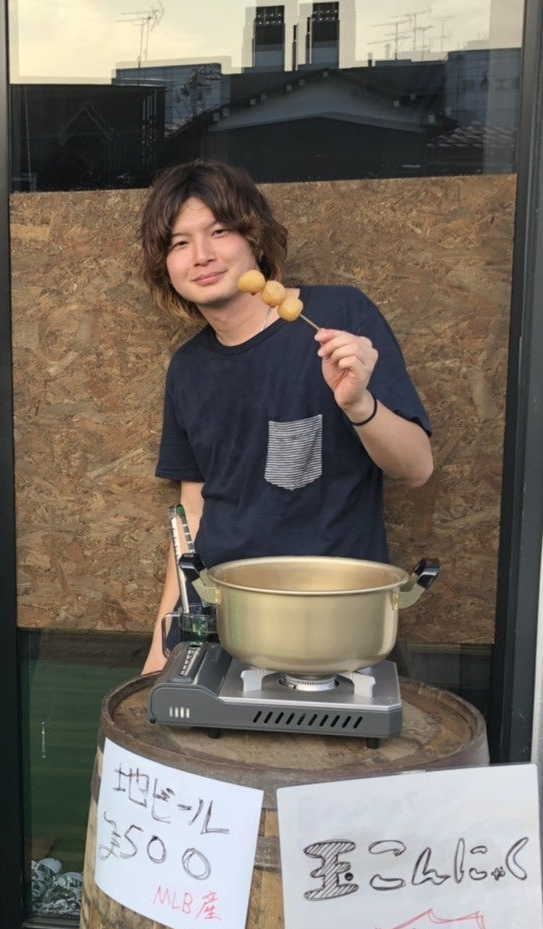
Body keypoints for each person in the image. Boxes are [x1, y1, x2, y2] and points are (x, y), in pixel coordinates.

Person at [139, 161, 434, 674]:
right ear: (166, 265)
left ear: (254, 238)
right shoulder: (188, 368)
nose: (202, 255)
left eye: (219, 231)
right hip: (225, 623)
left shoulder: (340, 319)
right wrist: (161, 645)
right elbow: (192, 511)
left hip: (333, 624)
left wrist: (359, 405)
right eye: (180, 243)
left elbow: (416, 469)